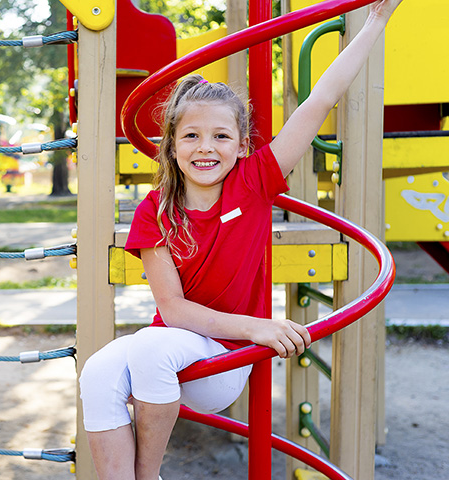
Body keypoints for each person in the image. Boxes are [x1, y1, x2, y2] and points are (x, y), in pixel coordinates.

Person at [78, 0, 403, 478]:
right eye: (190, 135)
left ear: (242, 144)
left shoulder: (253, 182)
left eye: (221, 136)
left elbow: (320, 101)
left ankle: (148, 476)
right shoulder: (157, 211)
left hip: (223, 361)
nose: (205, 147)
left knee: (148, 348)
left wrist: (376, 20)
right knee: (97, 371)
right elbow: (174, 311)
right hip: (176, 349)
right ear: (170, 146)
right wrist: (260, 327)